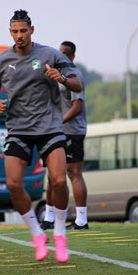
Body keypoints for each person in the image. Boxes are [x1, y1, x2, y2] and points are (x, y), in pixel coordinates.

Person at [0, 10, 82, 263]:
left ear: (32, 30)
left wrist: (60, 78)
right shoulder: (1, 60)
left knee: (59, 181)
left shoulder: (50, 54)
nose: (19, 36)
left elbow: (77, 85)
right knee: (14, 184)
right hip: (19, 129)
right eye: (15, 32)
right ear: (10, 32)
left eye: (23, 31)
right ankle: (38, 234)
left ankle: (59, 233)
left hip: (50, 127)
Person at [41, 41, 88, 231]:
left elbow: (77, 107)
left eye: (67, 53)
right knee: (52, 176)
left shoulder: (74, 75)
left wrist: (59, 122)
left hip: (71, 131)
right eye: (61, 53)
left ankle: (81, 220)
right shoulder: (57, 74)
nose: (63, 56)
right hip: (55, 131)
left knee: (73, 174)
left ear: (73, 56)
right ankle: (49, 217)